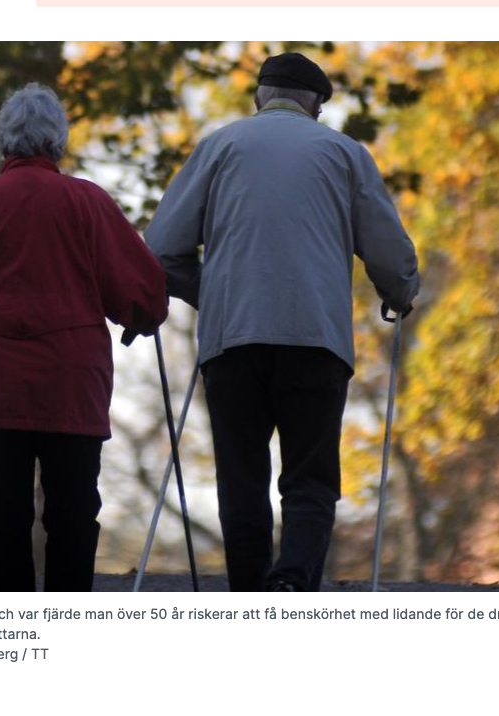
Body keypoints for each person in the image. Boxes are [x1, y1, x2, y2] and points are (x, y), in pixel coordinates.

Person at [146, 53, 420, 592]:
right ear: (316, 104)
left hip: (233, 342)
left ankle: (249, 593)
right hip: (315, 338)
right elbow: (388, 251)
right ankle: (292, 585)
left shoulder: (220, 146)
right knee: (310, 478)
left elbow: (160, 251)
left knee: (241, 476)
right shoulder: (344, 153)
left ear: (259, 97)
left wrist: (217, 294)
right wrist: (400, 291)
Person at [0, 83, 169, 592]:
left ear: (3, 142)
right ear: (58, 142)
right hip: (72, 384)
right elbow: (142, 295)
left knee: (2, 519)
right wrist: (144, 313)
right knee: (72, 518)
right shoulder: (87, 202)